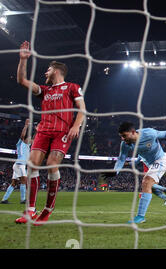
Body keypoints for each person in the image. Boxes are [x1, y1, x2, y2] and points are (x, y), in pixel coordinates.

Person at [15, 41, 86, 225]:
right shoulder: (45, 91)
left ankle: (48, 209)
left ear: (56, 70)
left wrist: (76, 126)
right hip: (43, 131)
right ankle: (30, 210)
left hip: (61, 131)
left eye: (47, 70)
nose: (45, 73)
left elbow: (82, 109)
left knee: (52, 163)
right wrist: (23, 60)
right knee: (32, 165)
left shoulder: (72, 87)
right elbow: (22, 81)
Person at [111, 122, 166, 224]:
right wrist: (116, 171)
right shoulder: (125, 144)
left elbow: (164, 133)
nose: (123, 139)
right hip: (151, 163)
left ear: (132, 132)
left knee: (147, 182)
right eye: (121, 137)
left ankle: (140, 216)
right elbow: (121, 158)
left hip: (160, 159)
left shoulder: (149, 133)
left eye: (124, 136)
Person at [1, 119, 32, 204]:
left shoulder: (28, 147)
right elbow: (22, 135)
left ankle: (4, 199)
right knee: (23, 181)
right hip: (20, 165)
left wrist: (37, 132)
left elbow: (35, 139)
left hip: (18, 165)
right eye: (28, 138)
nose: (30, 140)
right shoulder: (21, 143)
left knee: (14, 183)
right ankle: (23, 200)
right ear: (25, 139)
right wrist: (26, 126)